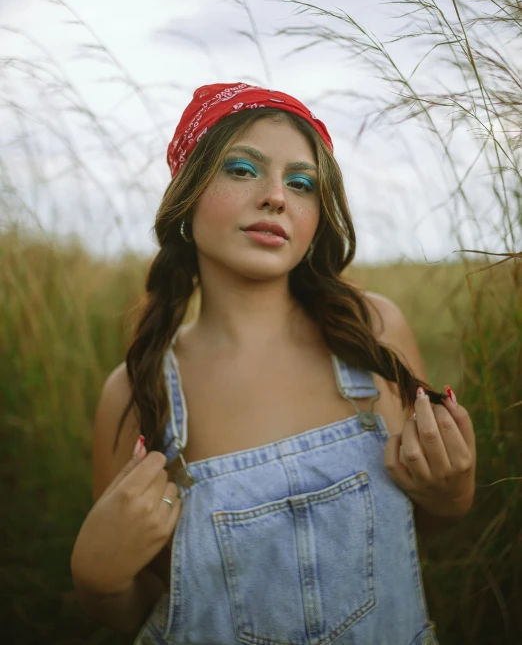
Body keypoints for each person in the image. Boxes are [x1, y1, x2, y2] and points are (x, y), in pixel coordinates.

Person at [70, 82, 476, 645]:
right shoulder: (138, 392)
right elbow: (139, 607)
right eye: (241, 170)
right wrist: (97, 581)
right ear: (187, 196)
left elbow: (413, 539)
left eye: (301, 183)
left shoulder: (373, 336)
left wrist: (450, 497)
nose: (276, 197)